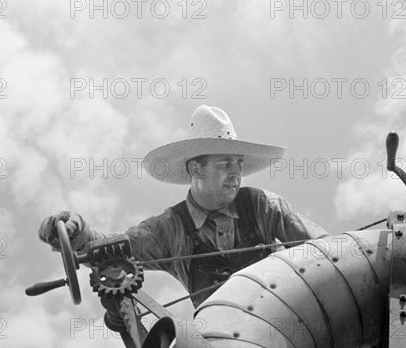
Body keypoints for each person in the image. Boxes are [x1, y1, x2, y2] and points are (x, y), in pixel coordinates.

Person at [38, 105, 328, 308]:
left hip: (292, 328)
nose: (236, 172)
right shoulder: (167, 230)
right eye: (225, 163)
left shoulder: (263, 205)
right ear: (196, 169)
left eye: (239, 163)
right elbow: (109, 252)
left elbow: (327, 252)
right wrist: (76, 231)